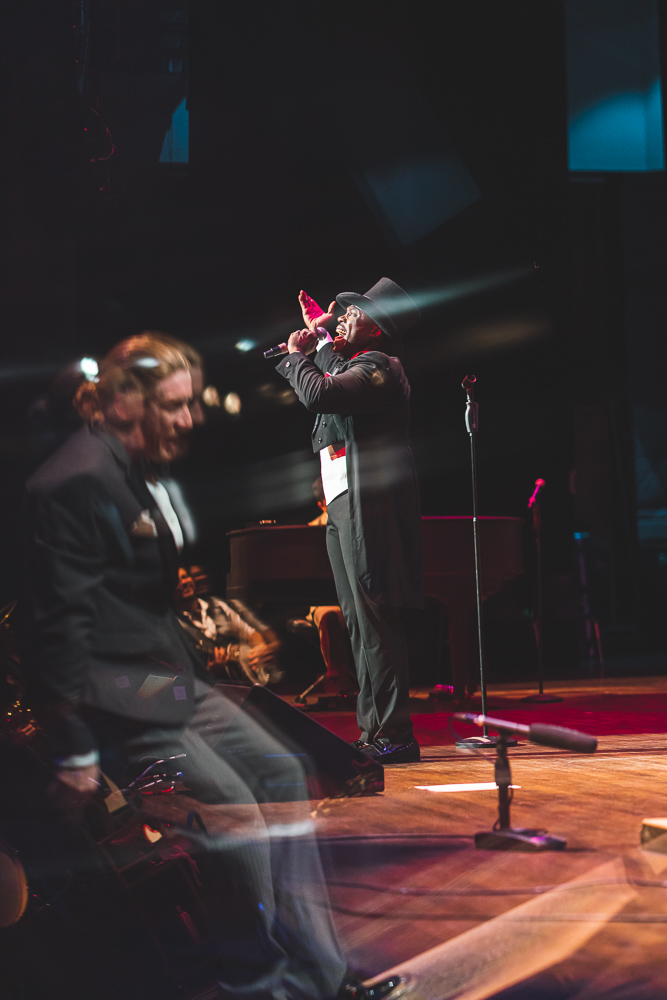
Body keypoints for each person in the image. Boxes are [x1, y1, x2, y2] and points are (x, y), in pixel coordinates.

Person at [21, 334, 385, 1000]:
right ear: (126, 402)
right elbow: (54, 632)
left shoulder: (127, 468)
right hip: (114, 690)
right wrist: (75, 756)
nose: (190, 422)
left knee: (281, 774)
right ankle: (255, 980)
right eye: (176, 407)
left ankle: (321, 979)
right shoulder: (72, 481)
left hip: (161, 682)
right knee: (238, 813)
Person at [275, 278, 423, 764]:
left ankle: (396, 732)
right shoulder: (354, 361)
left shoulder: (380, 367)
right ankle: (373, 731)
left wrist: (304, 351)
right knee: (357, 624)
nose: (342, 317)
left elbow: (320, 392)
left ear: (377, 331)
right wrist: (320, 337)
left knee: (375, 616)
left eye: (353, 314)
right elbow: (330, 375)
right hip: (342, 502)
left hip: (367, 505)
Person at [175, 564, 282, 685]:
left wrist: (260, 648)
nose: (183, 582)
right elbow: (181, 680)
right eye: (176, 581)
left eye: (185, 577)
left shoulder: (217, 605)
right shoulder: (175, 624)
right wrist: (211, 672)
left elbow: (251, 634)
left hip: (241, 685)